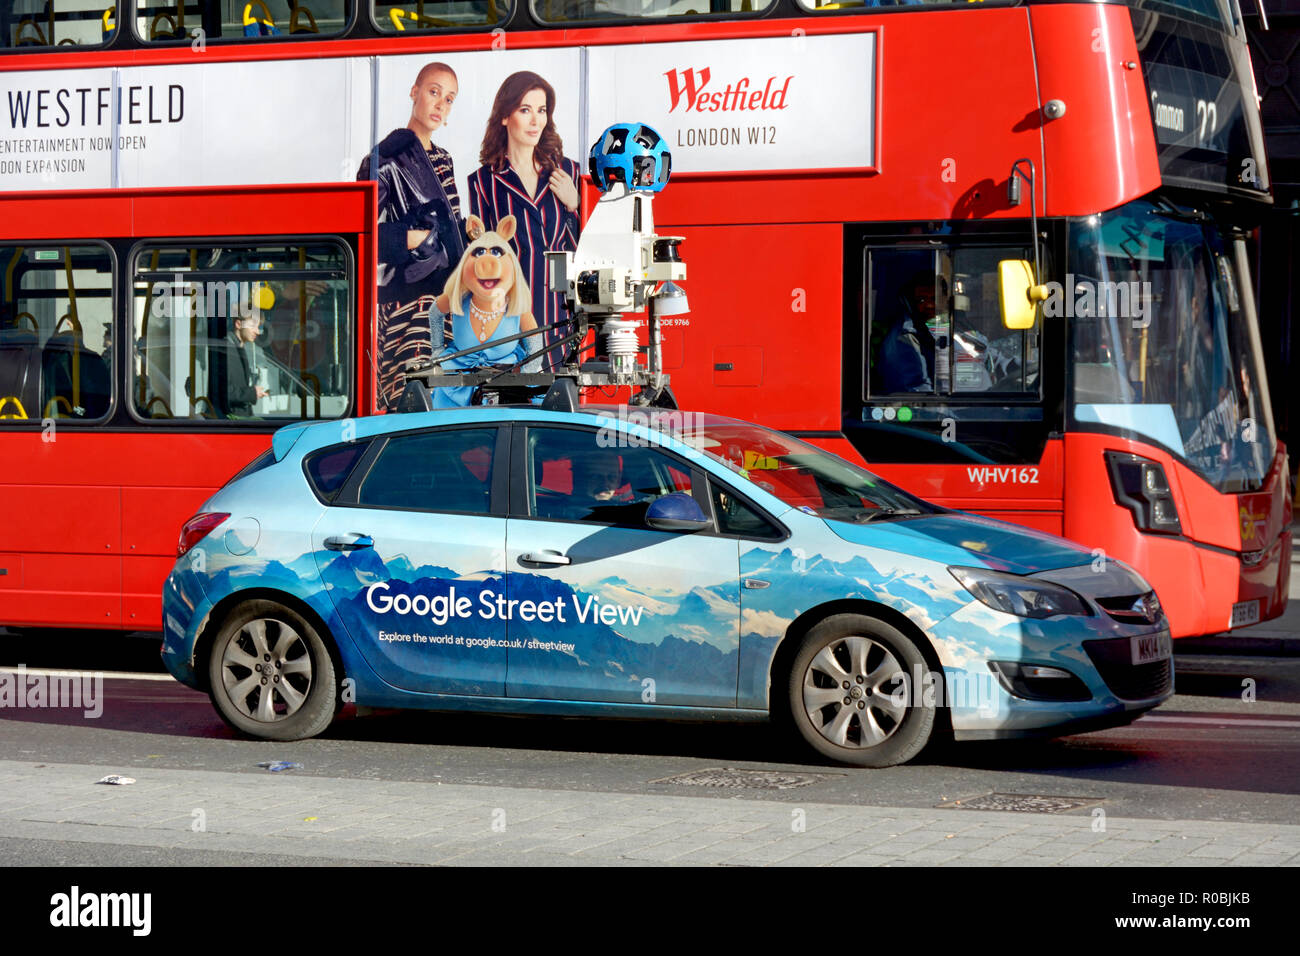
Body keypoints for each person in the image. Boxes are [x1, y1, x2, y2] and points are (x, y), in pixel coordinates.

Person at [358, 61, 466, 410]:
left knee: (445, 400)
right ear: (414, 93)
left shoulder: (445, 159)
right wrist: (409, 240)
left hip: (445, 301)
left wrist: (469, 229)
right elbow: (360, 234)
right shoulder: (384, 159)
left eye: (449, 99)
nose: (440, 105)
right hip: (408, 304)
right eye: (434, 92)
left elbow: (448, 230)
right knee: (415, 401)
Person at [468, 71, 581, 373]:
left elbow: (592, 252)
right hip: (510, 330)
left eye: (542, 110)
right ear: (505, 117)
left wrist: (575, 204)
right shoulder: (483, 182)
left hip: (564, 325)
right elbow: (483, 263)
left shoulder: (569, 172)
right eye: (525, 110)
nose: (536, 120)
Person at [428, 215, 538, 409]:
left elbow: (535, 344)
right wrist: (437, 351)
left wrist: (526, 377)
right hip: (456, 387)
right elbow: (434, 314)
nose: (487, 263)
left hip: (505, 386)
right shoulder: (458, 300)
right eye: (478, 253)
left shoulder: (516, 306)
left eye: (497, 252)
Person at [877, 272, 938, 393]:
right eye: (921, 300)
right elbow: (916, 390)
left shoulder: (936, 329)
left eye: (934, 299)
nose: (929, 305)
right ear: (911, 304)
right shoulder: (905, 337)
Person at [222, 313, 269, 417]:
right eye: (252, 326)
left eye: (258, 327)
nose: (257, 331)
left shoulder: (240, 348)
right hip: (232, 419)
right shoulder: (227, 350)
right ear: (238, 324)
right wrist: (251, 393)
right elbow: (223, 391)